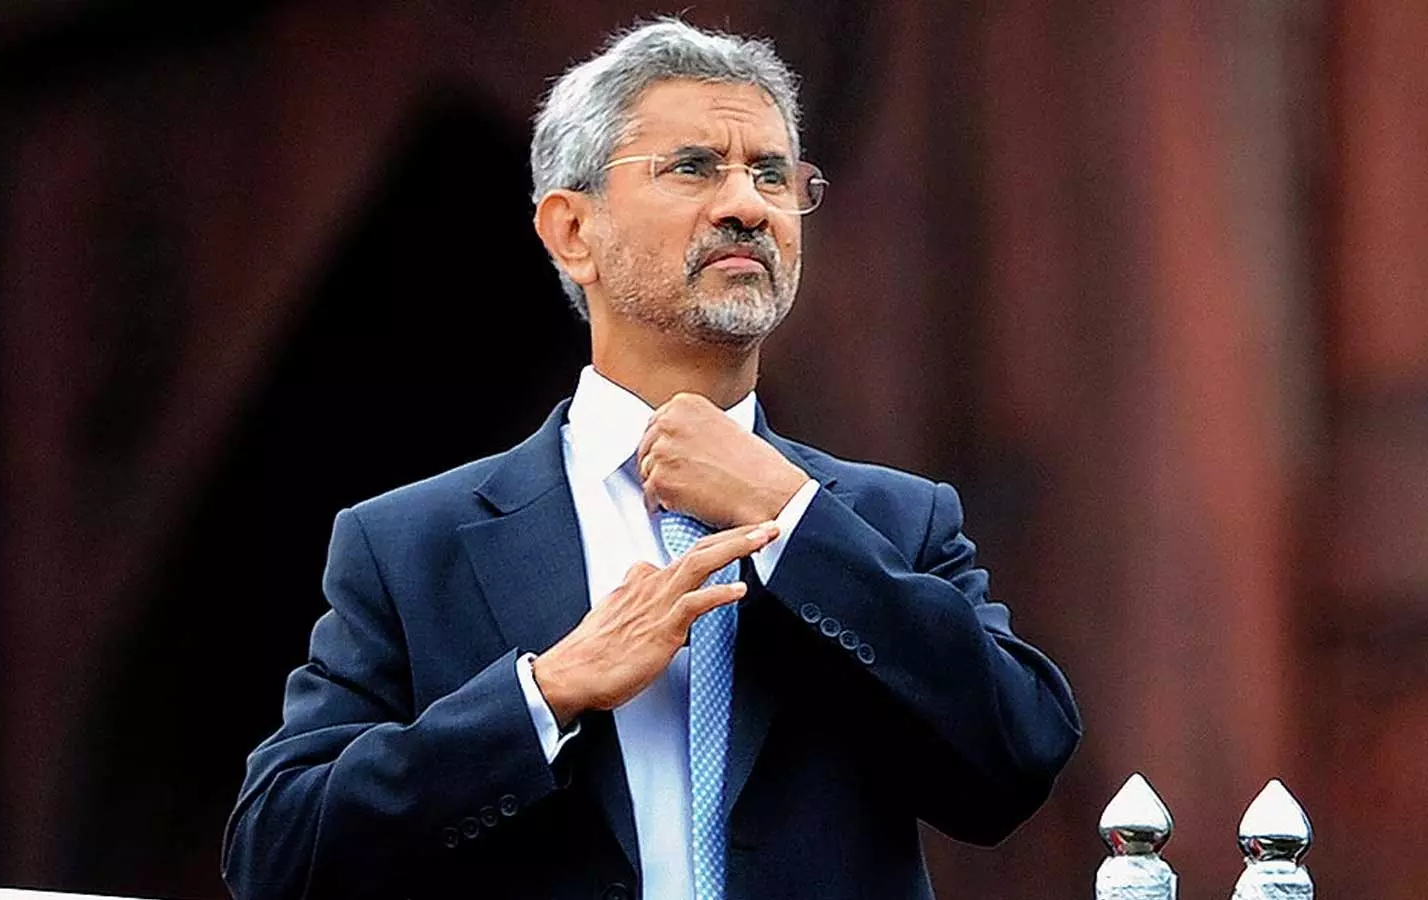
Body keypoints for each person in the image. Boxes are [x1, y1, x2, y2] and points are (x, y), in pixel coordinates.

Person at [223, 18, 1080, 900]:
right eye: (694, 168)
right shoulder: (409, 546)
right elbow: (278, 853)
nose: (748, 205)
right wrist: (546, 692)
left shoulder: (895, 520)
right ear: (571, 231)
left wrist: (792, 518)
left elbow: (1017, 759)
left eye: (773, 174)